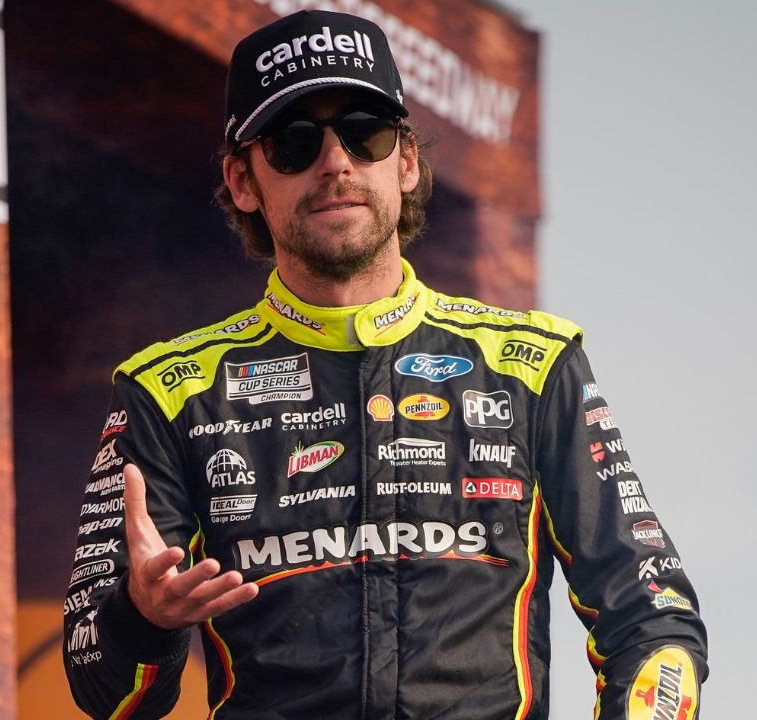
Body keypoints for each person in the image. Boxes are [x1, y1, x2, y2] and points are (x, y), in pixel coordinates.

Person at [63, 10, 708, 720]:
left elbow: (654, 622)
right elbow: (103, 690)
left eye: (365, 133)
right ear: (243, 180)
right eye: (294, 142)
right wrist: (140, 615)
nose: (335, 163)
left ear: (404, 161)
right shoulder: (168, 392)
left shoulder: (533, 367)